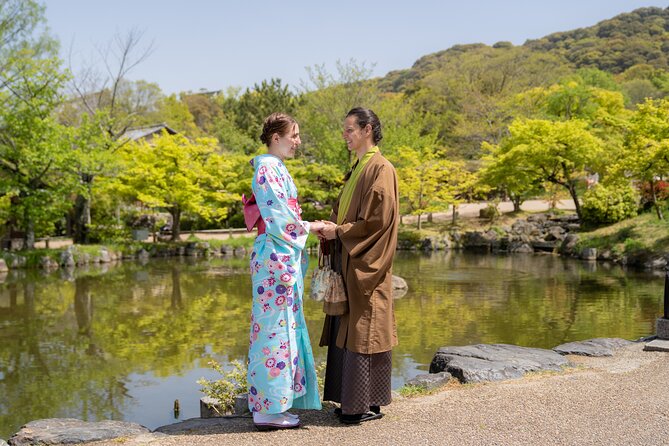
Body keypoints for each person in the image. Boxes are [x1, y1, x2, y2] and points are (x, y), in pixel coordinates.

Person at [318, 107, 399, 425]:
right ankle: (361, 401)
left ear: (367, 130)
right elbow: (350, 216)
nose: (345, 135)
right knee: (354, 328)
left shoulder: (381, 168)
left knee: (366, 329)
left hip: (367, 263)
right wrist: (334, 227)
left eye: (349, 129)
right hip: (350, 259)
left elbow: (377, 222)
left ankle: (358, 406)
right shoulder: (360, 167)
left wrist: (339, 231)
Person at [245, 112, 324, 430]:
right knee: (272, 332)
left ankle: (277, 405)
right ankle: (266, 409)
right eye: (294, 135)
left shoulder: (273, 167)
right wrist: (311, 226)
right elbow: (277, 217)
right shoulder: (266, 167)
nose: (298, 141)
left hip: (280, 258)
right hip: (274, 258)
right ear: (275, 137)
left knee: (282, 329)